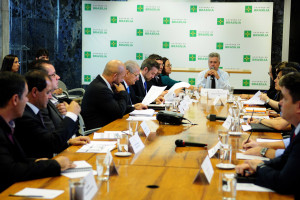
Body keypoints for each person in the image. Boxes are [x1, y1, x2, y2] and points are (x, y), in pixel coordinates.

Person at [0, 72, 74, 192]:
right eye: (25, 96)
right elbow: (10, 170)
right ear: (15, 99)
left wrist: (36, 161)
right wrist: (54, 165)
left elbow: (14, 160)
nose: (27, 100)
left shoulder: (7, 125)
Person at [236, 72, 300, 197]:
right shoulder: (297, 129)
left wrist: (259, 167)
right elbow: (284, 159)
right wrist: (257, 165)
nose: (280, 103)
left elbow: (283, 182)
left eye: (285, 99)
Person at [14, 70, 88, 158]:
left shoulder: (34, 110)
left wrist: (68, 141)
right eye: (48, 92)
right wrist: (71, 114)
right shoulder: (25, 115)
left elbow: (44, 141)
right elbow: (53, 143)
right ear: (34, 92)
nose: (50, 97)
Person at [81, 60, 133, 130]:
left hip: (108, 125)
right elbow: (119, 113)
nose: (122, 81)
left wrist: (133, 107)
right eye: (122, 77)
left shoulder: (104, 84)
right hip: (99, 130)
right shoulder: (100, 89)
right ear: (115, 76)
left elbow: (114, 106)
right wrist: (123, 92)